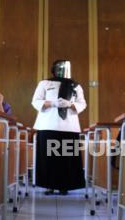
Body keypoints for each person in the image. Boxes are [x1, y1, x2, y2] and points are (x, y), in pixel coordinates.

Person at [31, 60, 87, 195]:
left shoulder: (76, 86)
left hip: (69, 126)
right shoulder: (44, 83)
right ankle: (49, 185)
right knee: (48, 158)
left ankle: (65, 186)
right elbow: (36, 101)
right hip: (48, 125)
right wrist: (52, 103)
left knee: (66, 158)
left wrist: (70, 104)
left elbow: (82, 103)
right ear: (54, 70)